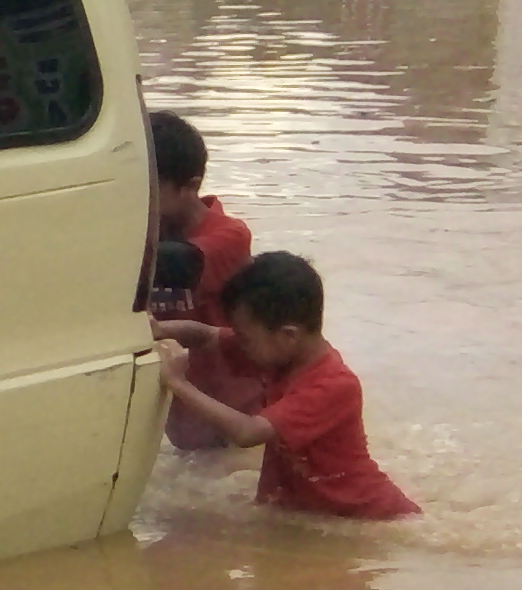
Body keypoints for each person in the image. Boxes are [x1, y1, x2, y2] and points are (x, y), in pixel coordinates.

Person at [158, 251, 418, 520]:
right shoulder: (277, 354)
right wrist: (158, 329)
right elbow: (206, 336)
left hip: (368, 517)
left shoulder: (333, 385)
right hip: (307, 510)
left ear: (289, 335)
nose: (240, 345)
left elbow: (248, 433)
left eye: (245, 338)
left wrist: (178, 384)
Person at [151, 110, 264, 449]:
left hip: (240, 412)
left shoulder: (229, 235)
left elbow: (176, 265)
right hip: (182, 411)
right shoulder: (145, 230)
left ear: (191, 187)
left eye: (149, 186)